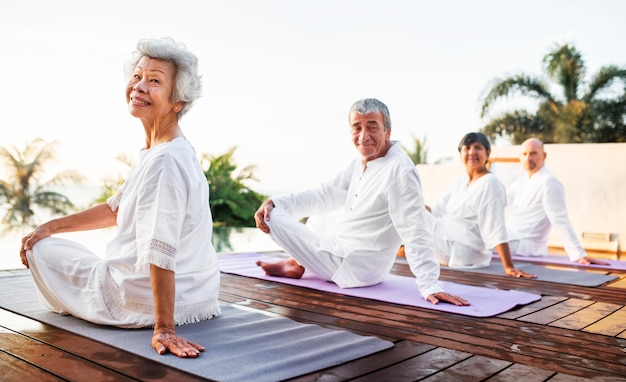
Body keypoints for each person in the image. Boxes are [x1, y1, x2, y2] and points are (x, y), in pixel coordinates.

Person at [19, 37, 220, 358]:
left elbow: (159, 248)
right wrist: (52, 225)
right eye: (137, 76)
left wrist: (164, 328)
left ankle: (131, 310)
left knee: (41, 249)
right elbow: (116, 208)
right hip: (199, 298)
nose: (139, 86)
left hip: (140, 305)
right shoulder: (168, 150)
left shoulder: (165, 161)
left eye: (154, 81)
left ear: (177, 101)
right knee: (47, 237)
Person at [254, 98, 469, 306]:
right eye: (357, 127)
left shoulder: (400, 169)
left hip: (353, 266)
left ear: (388, 131)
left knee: (272, 216)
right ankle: (298, 263)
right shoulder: (360, 163)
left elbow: (415, 231)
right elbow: (325, 194)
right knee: (318, 209)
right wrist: (276, 200)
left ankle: (298, 261)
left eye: (372, 127)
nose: (363, 136)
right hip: (353, 255)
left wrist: (430, 285)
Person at [426, 132, 535, 278]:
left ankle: (403, 249)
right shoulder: (460, 183)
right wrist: (415, 205)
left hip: (461, 249)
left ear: (488, 153)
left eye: (478, 147)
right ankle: (404, 249)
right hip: (446, 241)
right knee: (408, 209)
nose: (472, 152)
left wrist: (508, 266)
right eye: (467, 148)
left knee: (407, 213)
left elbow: (496, 226)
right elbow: (435, 210)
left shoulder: (491, 183)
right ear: (461, 154)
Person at [506, 138, 609, 265]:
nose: (528, 158)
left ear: (544, 156)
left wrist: (578, 254)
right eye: (524, 154)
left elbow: (560, 220)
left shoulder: (548, 182)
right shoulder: (520, 182)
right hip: (510, 238)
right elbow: (499, 202)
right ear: (520, 157)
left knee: (482, 237)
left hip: (525, 245)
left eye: (533, 153)